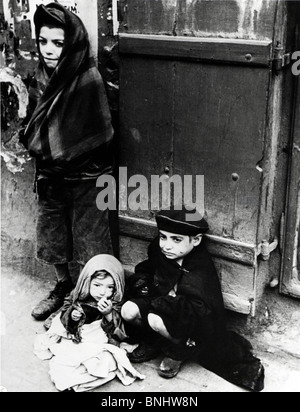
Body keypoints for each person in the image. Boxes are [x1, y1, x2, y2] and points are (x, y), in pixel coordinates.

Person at [19, 3, 114, 321]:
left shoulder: (88, 80)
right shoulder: (39, 77)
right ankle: (63, 287)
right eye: (43, 41)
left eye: (58, 43)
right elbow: (31, 125)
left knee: (92, 240)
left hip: (88, 176)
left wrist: (65, 152)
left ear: (71, 44)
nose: (48, 50)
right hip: (50, 175)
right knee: (52, 234)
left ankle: (92, 301)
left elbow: (99, 134)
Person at [122, 206, 265, 392]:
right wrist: (145, 288)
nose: (166, 245)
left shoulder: (199, 268)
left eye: (176, 240)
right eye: (163, 237)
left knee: (153, 318)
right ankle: (156, 342)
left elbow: (201, 311)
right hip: (163, 303)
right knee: (128, 311)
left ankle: (179, 347)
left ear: (196, 240)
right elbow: (148, 274)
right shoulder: (162, 254)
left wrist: (163, 304)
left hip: (187, 320)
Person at [34, 255, 145, 392]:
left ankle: (75, 380)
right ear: (87, 282)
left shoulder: (116, 301)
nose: (102, 292)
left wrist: (108, 314)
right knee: (66, 356)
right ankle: (69, 377)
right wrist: (72, 315)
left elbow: (120, 332)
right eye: (97, 285)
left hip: (100, 339)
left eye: (110, 287)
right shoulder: (79, 293)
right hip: (78, 335)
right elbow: (67, 308)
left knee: (101, 362)